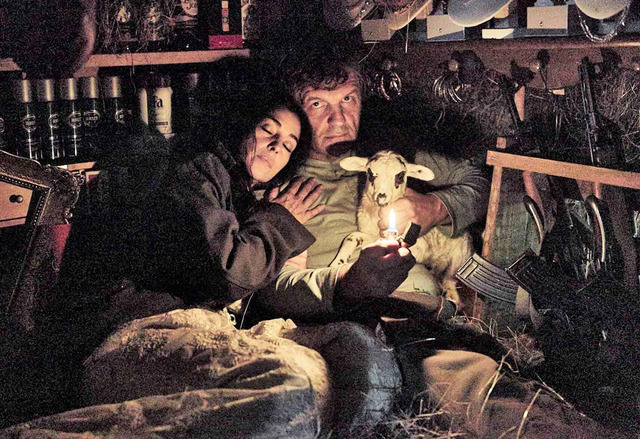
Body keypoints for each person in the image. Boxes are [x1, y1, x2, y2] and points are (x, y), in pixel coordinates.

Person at [252, 54, 634, 438]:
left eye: (348, 99)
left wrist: (433, 207)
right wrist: (346, 283)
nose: (338, 118)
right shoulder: (285, 186)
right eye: (318, 104)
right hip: (347, 332)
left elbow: (478, 183)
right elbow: (276, 287)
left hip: (424, 323)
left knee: (514, 406)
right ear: (296, 111)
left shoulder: (393, 155)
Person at [2, 72, 401, 437]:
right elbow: (229, 272)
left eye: (288, 145)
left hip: (204, 327)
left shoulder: (244, 194)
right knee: (292, 387)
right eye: (268, 131)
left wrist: (346, 282)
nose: (276, 147)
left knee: (361, 353)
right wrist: (279, 220)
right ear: (241, 124)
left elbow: (265, 287)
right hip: (126, 333)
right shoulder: (190, 170)